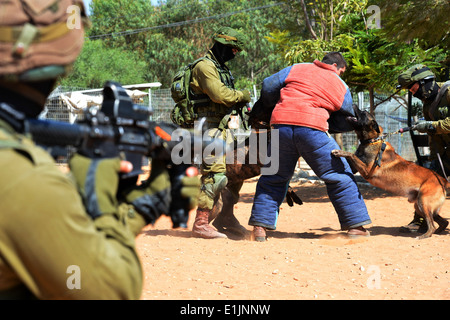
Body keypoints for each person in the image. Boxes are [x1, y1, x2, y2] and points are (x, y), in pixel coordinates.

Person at [0, 0, 199, 299]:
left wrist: (138, 208)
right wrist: (98, 195)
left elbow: (64, 238)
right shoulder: (23, 180)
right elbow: (110, 290)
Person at [248, 52, 372, 241]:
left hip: (280, 125)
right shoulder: (340, 84)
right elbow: (347, 112)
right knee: (340, 176)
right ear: (338, 67)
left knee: (273, 177)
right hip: (312, 129)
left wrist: (278, 103)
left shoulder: (296, 68)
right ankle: (355, 226)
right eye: (341, 72)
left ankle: (259, 227)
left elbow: (268, 85)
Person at [189, 26, 252, 239]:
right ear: (223, 45)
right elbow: (218, 94)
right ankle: (201, 223)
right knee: (213, 175)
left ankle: (226, 216)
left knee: (237, 172)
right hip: (210, 128)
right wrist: (242, 95)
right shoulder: (204, 67)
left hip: (227, 128)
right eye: (233, 50)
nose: (234, 55)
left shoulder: (221, 68)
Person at [396, 64, 450, 233]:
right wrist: (434, 160)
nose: (414, 93)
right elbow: (433, 136)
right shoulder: (428, 105)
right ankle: (421, 220)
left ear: (426, 82)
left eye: (414, 88)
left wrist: (431, 125)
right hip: (446, 153)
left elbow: (439, 126)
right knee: (426, 183)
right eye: (411, 91)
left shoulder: (448, 93)